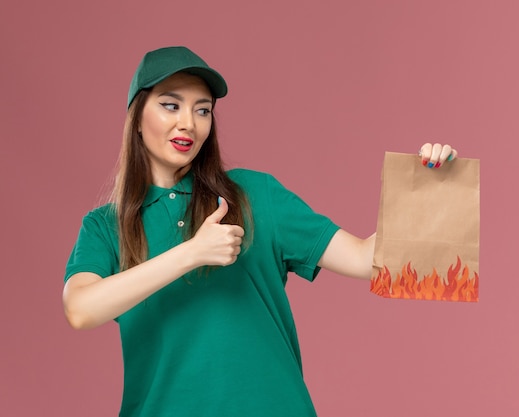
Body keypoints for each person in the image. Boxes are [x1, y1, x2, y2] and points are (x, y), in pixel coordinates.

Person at [63, 46, 458, 417]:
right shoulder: (105, 227)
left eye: (203, 110)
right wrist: (192, 253)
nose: (188, 123)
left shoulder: (254, 195)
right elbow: (80, 310)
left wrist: (425, 190)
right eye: (170, 105)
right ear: (137, 115)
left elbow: (365, 259)